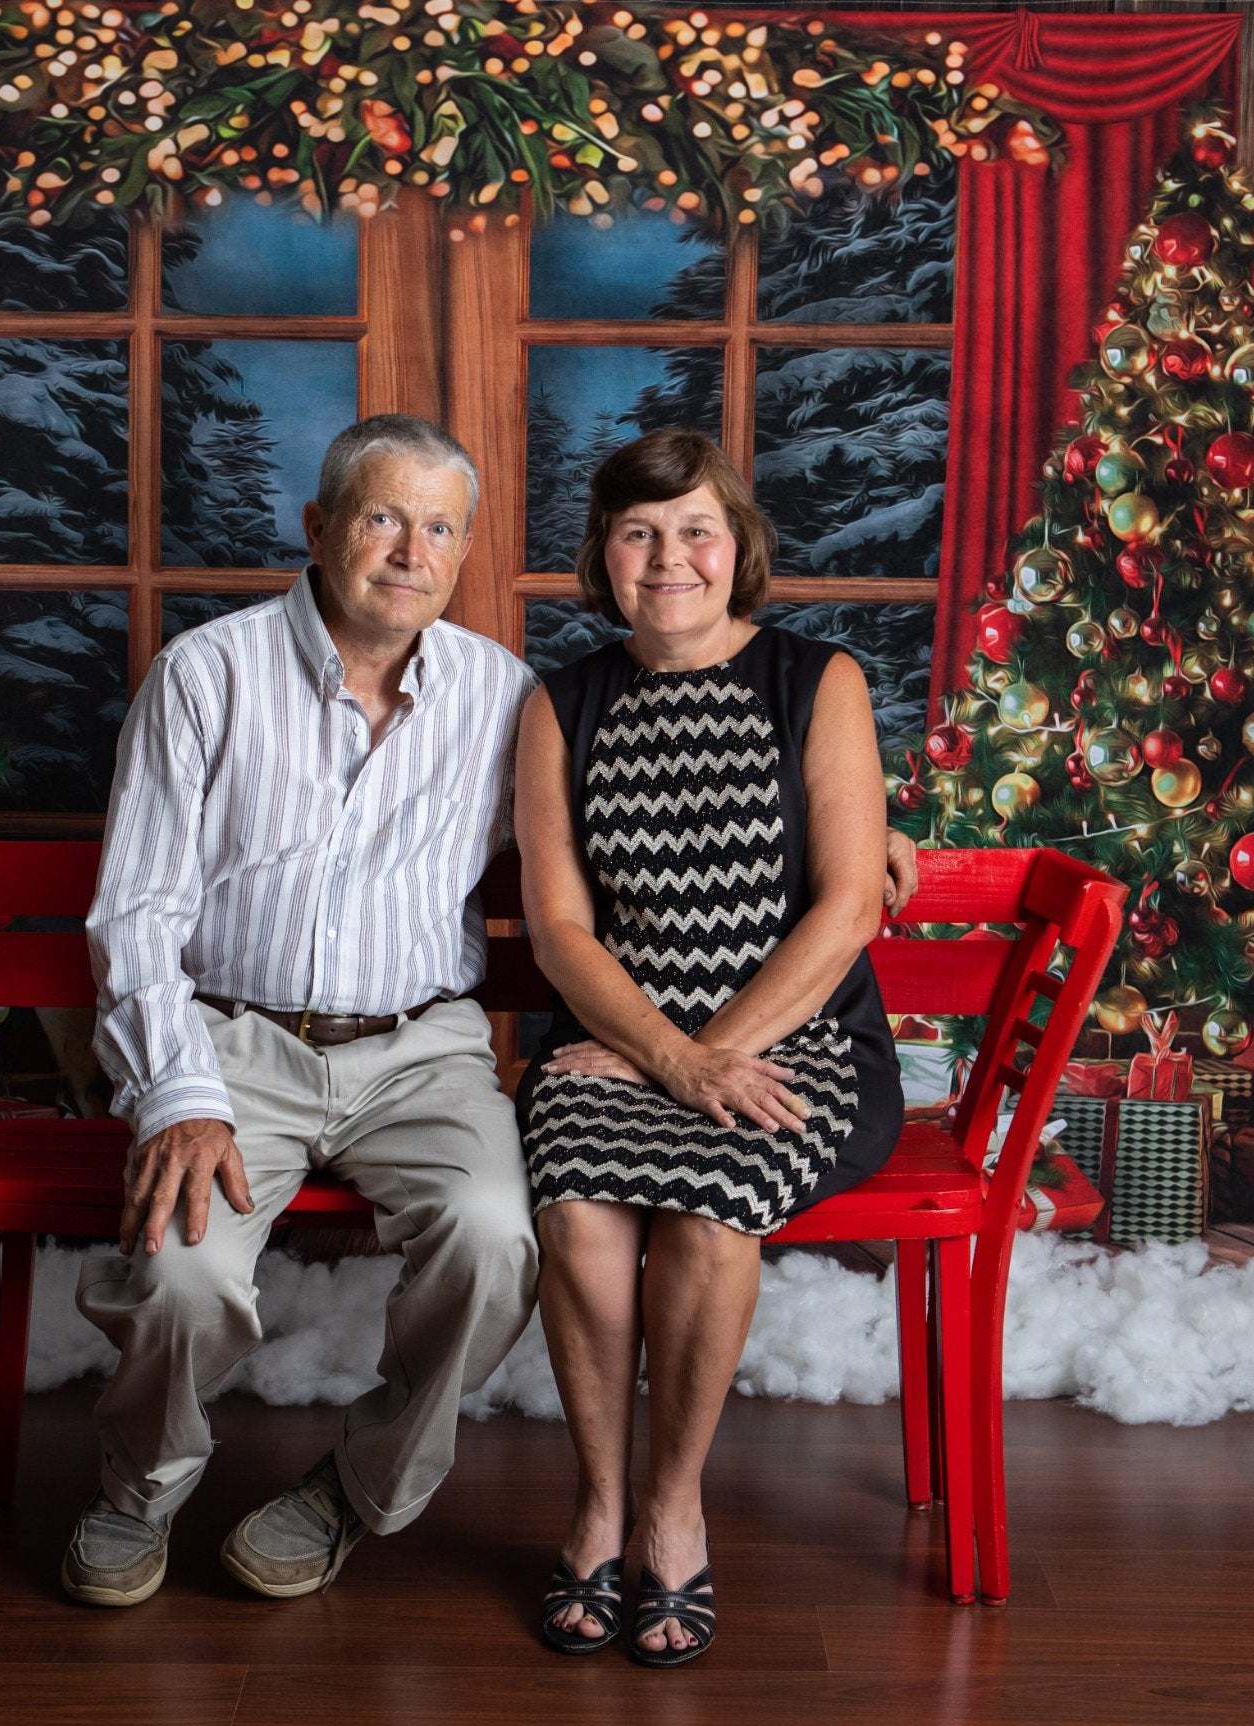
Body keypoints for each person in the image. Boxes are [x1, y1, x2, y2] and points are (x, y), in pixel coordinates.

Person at [71, 414, 916, 1612]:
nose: (409, 550)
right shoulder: (218, 676)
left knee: (494, 1233)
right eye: (380, 518)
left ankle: (360, 1494)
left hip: (433, 1049)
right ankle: (135, 1488)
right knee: (187, 1274)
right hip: (234, 1038)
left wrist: (868, 835)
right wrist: (179, 1092)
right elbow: (138, 914)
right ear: (317, 531)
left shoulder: (497, 692)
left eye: (438, 528)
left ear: (463, 552)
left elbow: (736, 853)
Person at [514, 428, 904, 1667]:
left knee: (710, 1205)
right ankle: (598, 1503)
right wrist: (659, 1054)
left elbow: (848, 906)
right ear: (601, 556)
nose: (667, 556)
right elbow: (558, 927)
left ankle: (673, 1509)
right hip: (611, 1044)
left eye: (693, 529)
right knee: (576, 1204)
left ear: (737, 548)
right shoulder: (561, 702)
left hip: (802, 1045)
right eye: (637, 532)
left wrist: (697, 1059)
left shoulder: (813, 680)